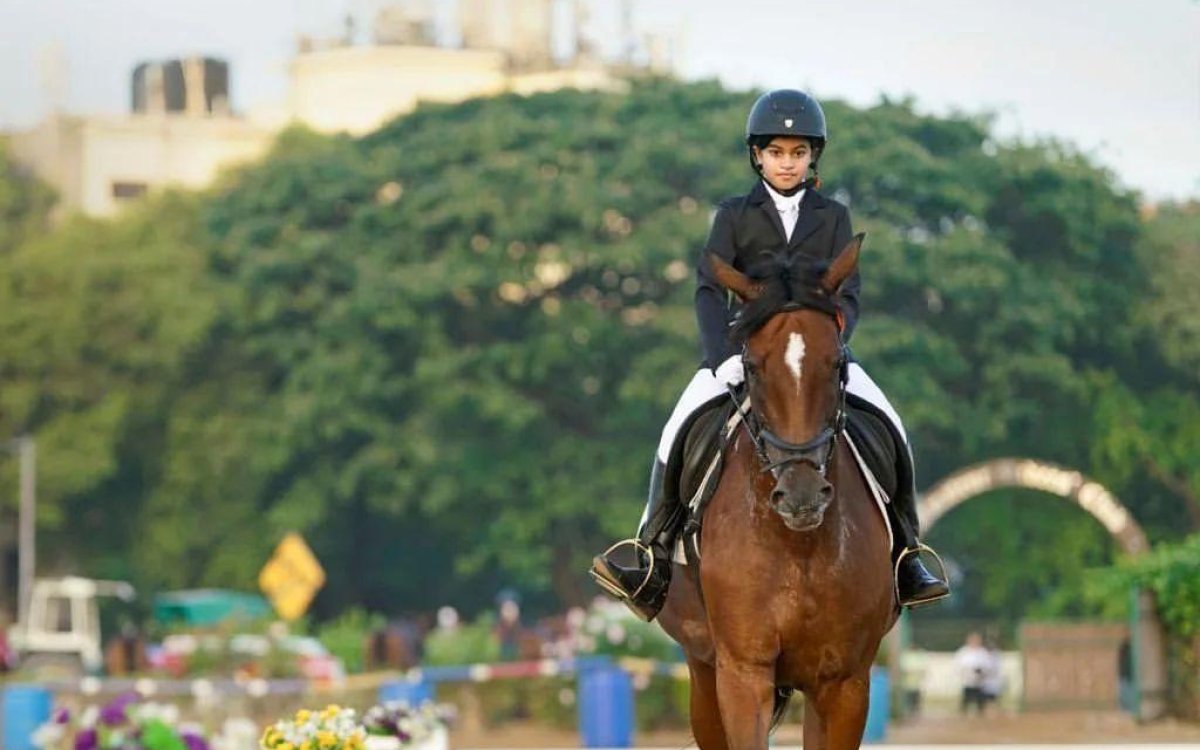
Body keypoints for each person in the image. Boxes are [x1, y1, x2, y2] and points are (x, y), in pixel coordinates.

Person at [588, 89, 950, 621]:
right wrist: (720, 358)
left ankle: (907, 555)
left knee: (892, 427)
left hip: (817, 355)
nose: (787, 162)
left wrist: (831, 340)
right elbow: (709, 289)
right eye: (777, 152)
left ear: (812, 158)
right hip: (742, 351)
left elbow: (847, 294)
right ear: (758, 155)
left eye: (798, 153)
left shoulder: (832, 217)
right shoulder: (734, 214)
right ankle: (651, 551)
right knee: (677, 428)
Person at [955, 631, 990, 715]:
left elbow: (987, 665)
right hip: (967, 681)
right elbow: (959, 665)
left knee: (980, 705)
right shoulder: (963, 652)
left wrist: (982, 673)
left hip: (980, 682)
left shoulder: (983, 652)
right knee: (966, 703)